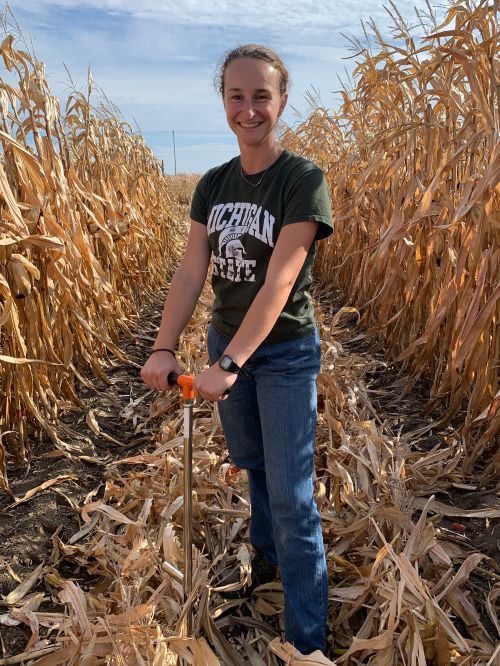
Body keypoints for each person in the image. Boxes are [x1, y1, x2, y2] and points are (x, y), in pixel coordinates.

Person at [140, 44, 333, 657]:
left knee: (292, 496)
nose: (248, 109)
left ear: (280, 101)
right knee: (253, 466)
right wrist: (166, 345)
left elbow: (280, 281)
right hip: (228, 344)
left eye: (261, 97)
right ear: (222, 100)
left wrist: (229, 364)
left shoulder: (302, 181)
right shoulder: (213, 185)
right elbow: (192, 272)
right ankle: (269, 576)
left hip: (280, 354)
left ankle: (306, 641)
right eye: (236, 96)